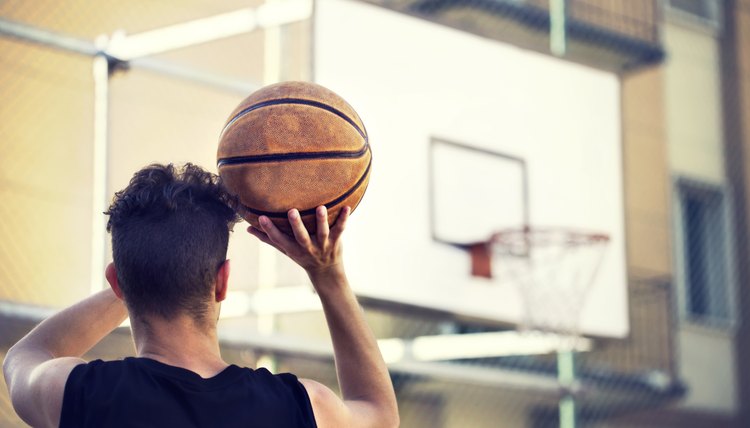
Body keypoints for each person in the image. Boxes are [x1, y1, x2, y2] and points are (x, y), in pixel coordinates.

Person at [2, 163, 399, 428]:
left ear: (117, 283)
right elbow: (379, 412)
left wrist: (138, 274)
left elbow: (22, 357)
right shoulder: (300, 406)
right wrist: (327, 274)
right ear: (222, 281)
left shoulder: (81, 394)